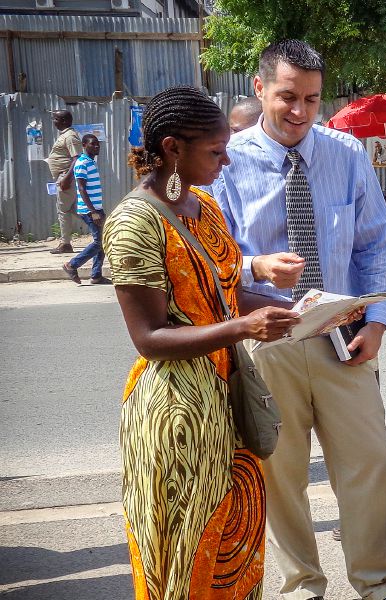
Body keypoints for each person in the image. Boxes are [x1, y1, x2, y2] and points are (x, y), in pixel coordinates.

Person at [209, 40, 386, 600]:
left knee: (367, 462)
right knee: (280, 473)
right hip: (266, 338)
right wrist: (254, 263)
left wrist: (377, 323)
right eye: (287, 97)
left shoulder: (347, 155)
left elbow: (374, 248)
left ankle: (379, 581)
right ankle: (301, 585)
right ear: (259, 88)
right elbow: (207, 253)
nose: (300, 111)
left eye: (312, 99)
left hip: (343, 337)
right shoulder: (226, 162)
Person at [103, 85, 301, 599]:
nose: (226, 159)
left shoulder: (206, 207)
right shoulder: (134, 223)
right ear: (172, 148)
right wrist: (242, 329)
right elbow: (150, 338)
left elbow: (226, 295)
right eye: (215, 151)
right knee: (186, 555)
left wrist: (298, 314)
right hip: (177, 416)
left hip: (228, 403)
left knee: (236, 548)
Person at [62, 134, 109, 285]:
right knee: (99, 242)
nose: (97, 146)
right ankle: (71, 265)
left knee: (102, 241)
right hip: (90, 210)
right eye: (93, 144)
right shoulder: (82, 163)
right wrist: (93, 211)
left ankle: (96, 275)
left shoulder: (90, 162)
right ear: (84, 145)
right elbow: (81, 189)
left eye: (98, 144)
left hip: (96, 208)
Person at [45, 110, 83, 254]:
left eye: (56, 119)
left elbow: (77, 158)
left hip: (66, 177)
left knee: (64, 210)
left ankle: (65, 243)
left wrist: (67, 178)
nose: (53, 121)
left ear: (65, 121)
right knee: (74, 210)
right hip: (64, 176)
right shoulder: (65, 135)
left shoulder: (70, 136)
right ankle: (101, 230)